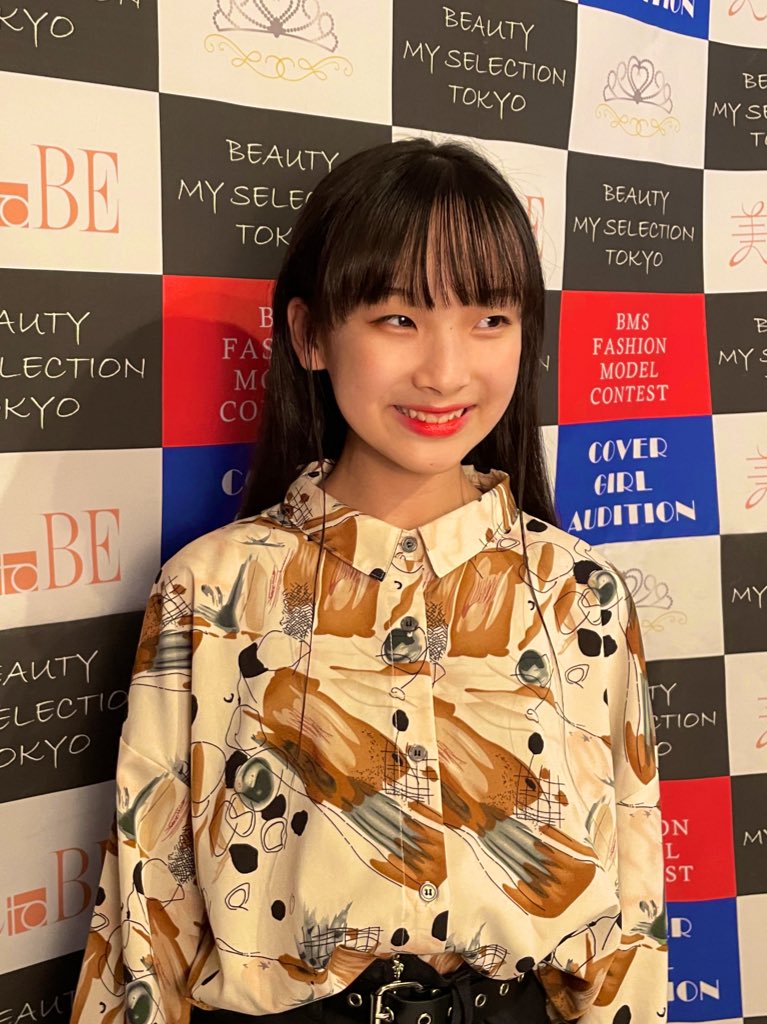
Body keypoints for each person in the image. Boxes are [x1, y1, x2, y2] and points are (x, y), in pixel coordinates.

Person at [71, 138, 667, 1024]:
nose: (445, 371)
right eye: (397, 318)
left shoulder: (582, 592)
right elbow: (146, 910)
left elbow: (630, 905)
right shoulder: (212, 591)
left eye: (489, 319)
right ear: (310, 334)